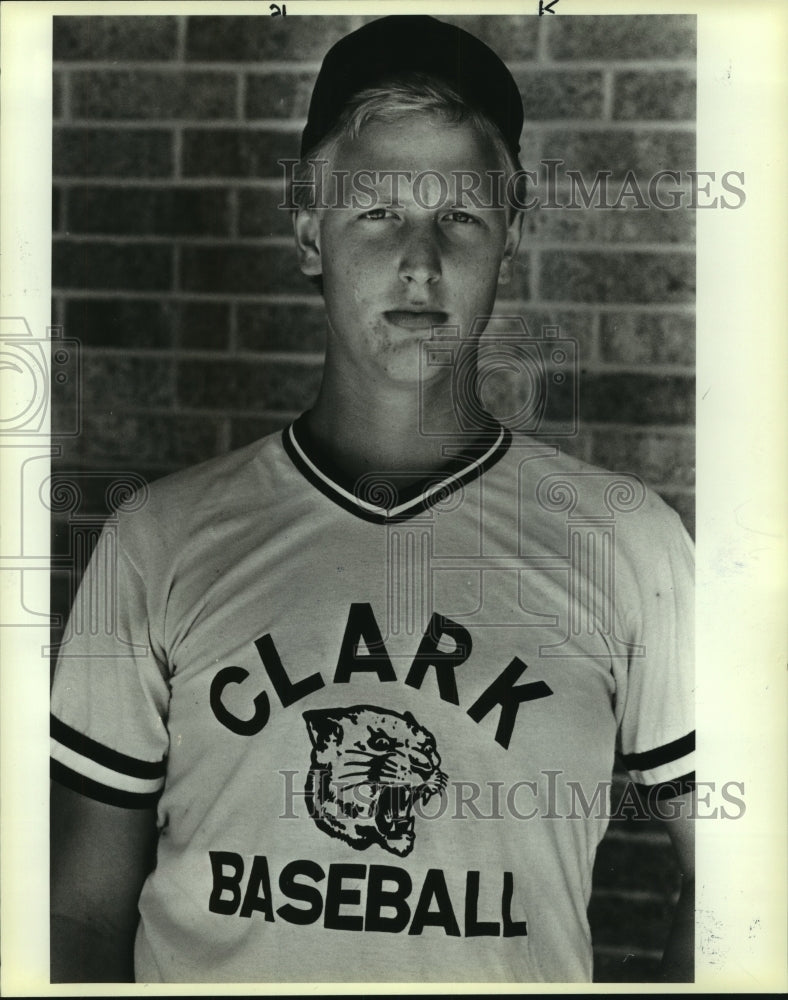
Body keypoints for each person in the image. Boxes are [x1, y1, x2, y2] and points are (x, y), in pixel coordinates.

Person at [50, 14, 695, 984]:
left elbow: (745, 879)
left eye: (460, 216)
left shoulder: (629, 544)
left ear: (511, 234)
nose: (420, 261)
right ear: (308, 229)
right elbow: (78, 910)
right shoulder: (156, 539)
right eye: (379, 211)